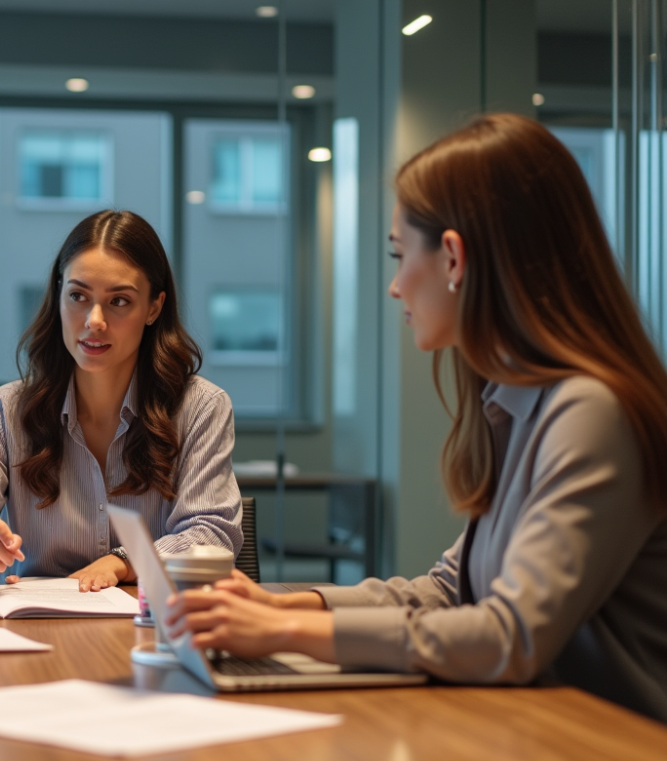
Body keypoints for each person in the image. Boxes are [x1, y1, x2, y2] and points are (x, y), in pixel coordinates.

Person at [166, 114, 667, 723]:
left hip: (607, 747)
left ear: (453, 258)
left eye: (400, 255)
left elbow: (510, 636)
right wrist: (286, 606)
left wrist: (286, 633)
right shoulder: (516, 403)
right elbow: (450, 590)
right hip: (531, 731)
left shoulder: (590, 413)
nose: (395, 286)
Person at [0, 210, 242, 591]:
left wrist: (121, 562)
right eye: (78, 296)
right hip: (38, 621)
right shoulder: (11, 411)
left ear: (154, 307)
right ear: (59, 296)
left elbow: (211, 535)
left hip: (150, 620)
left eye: (119, 301)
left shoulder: (200, 408)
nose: (94, 320)